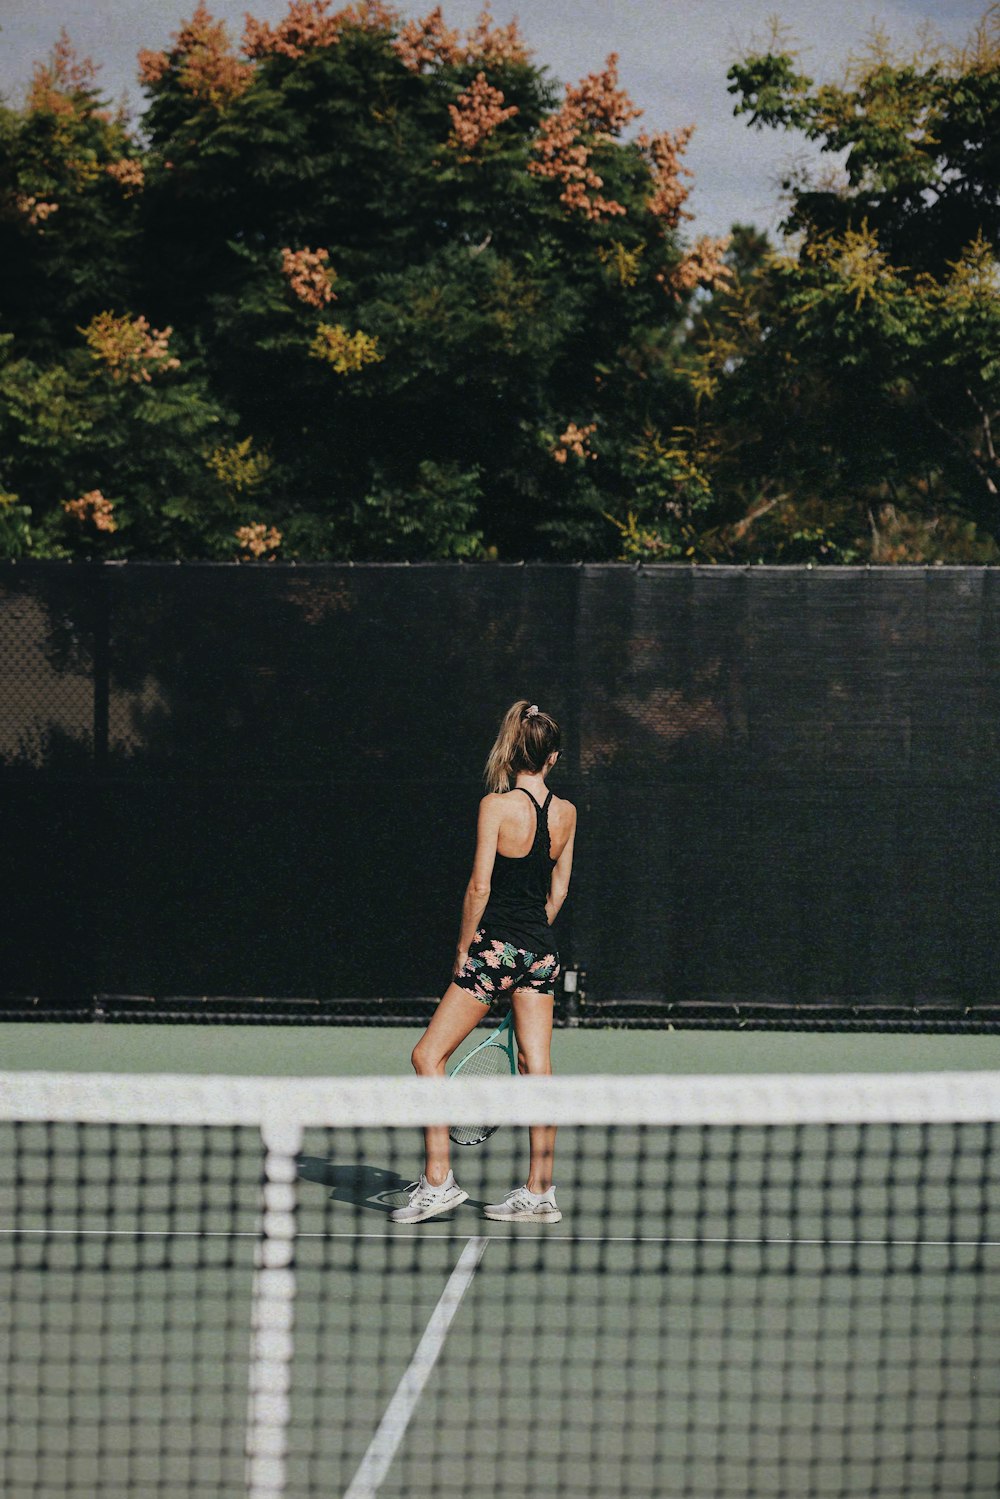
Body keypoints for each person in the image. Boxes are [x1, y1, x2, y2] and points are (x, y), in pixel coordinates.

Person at [391, 700, 577, 1225]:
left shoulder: (495, 807)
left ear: (514, 751)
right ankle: (540, 1190)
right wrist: (531, 936)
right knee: (536, 1068)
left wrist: (464, 950)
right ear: (553, 758)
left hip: (494, 948)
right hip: (540, 952)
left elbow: (480, 886)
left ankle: (437, 1182)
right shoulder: (567, 813)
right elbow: (558, 886)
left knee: (428, 1057)